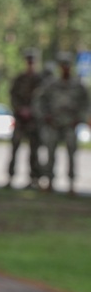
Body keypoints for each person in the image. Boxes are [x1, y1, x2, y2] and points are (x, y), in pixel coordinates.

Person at [35, 52, 89, 195]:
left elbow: (85, 104)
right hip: (54, 123)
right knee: (51, 153)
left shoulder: (78, 85)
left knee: (72, 154)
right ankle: (50, 182)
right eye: (62, 65)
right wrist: (45, 116)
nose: (65, 67)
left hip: (70, 124)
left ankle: (71, 184)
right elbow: (40, 100)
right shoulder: (51, 84)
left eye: (67, 65)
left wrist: (80, 118)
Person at [8, 48, 44, 188]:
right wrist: (20, 109)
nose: (30, 63)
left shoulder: (40, 80)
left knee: (34, 150)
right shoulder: (19, 79)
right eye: (28, 61)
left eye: (32, 61)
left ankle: (34, 179)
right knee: (15, 147)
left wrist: (32, 111)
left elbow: (43, 99)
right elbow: (13, 96)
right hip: (21, 119)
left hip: (34, 120)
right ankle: (10, 177)